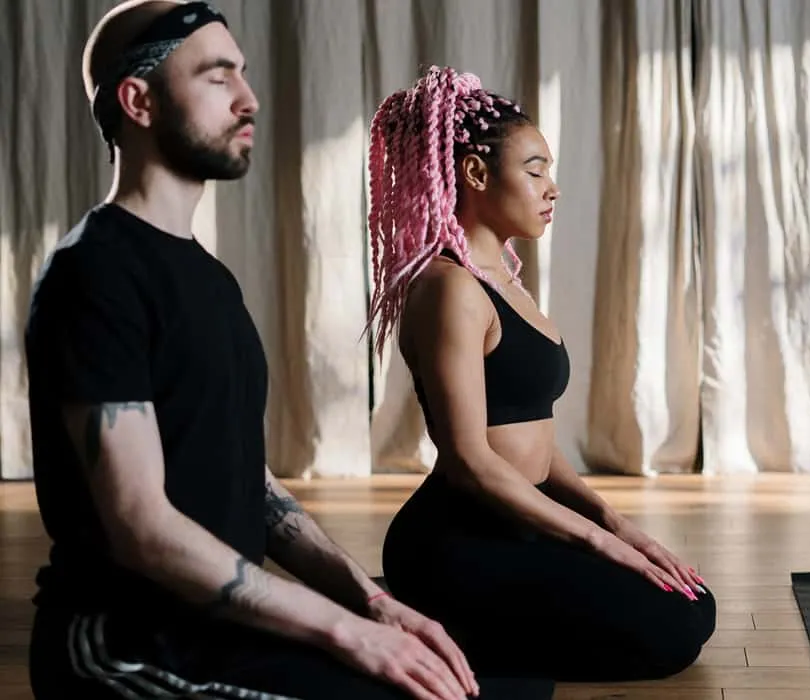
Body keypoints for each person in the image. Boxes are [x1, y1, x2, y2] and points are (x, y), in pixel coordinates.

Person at [24, 3, 552, 699]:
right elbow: (143, 530)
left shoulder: (210, 281)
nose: (249, 99)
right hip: (131, 648)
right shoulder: (95, 272)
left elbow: (256, 487)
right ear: (137, 100)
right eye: (217, 78)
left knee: (509, 688)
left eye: (243, 73)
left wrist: (375, 604)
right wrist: (346, 632)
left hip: (224, 628)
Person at [368, 66, 717, 684]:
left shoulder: (504, 279)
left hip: (522, 522)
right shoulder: (450, 290)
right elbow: (469, 459)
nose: (552, 188)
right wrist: (595, 542)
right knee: (673, 630)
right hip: (458, 541)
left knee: (693, 604)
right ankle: (436, 624)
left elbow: (534, 438)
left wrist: (614, 523)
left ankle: (468, 627)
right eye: (535, 170)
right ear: (476, 173)